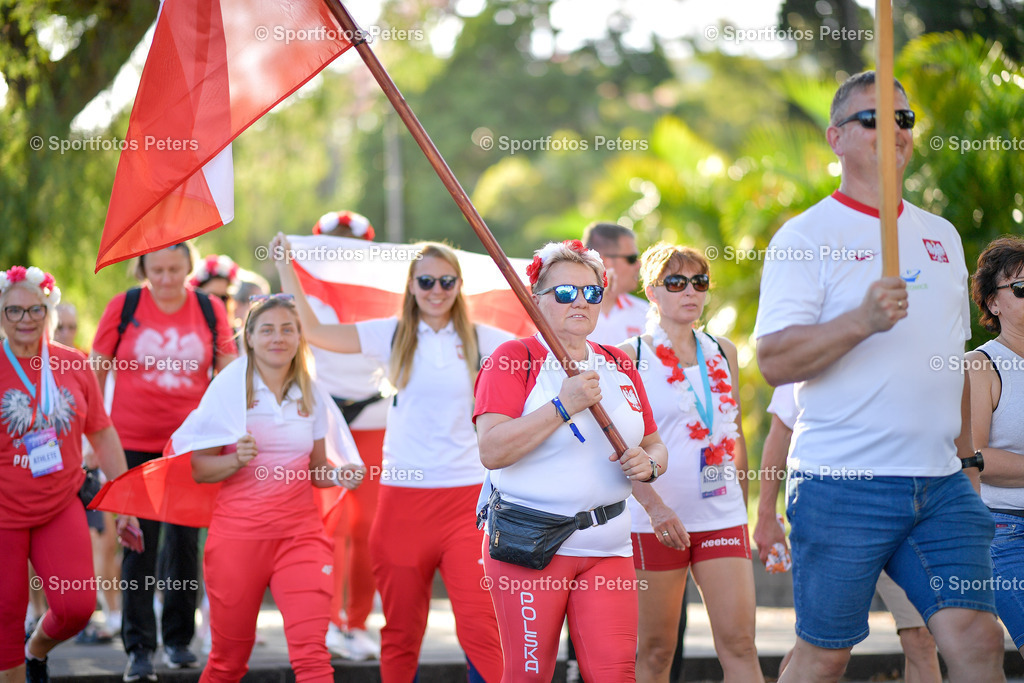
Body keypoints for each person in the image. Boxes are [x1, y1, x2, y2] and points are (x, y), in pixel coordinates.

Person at [754, 70, 1005, 682]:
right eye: (873, 118)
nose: (893, 129)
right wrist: (861, 320)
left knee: (977, 641)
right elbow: (774, 361)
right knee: (824, 655)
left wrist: (969, 464)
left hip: (941, 485)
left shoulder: (940, 234)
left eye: (904, 118)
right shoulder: (805, 237)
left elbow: (957, 362)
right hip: (844, 482)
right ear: (836, 137)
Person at [273, 233, 506, 682]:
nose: (436, 290)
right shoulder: (391, 333)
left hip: (468, 503)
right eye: (426, 281)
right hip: (402, 503)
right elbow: (317, 333)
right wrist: (285, 267)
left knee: (481, 627)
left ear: (460, 285)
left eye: (446, 281)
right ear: (412, 286)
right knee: (400, 631)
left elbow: (546, 350)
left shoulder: (484, 338)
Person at [474, 239, 668, 682]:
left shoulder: (620, 363)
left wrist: (650, 464)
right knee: (529, 676)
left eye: (591, 292)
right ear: (535, 299)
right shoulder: (513, 359)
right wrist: (562, 406)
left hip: (608, 546)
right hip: (531, 542)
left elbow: (655, 444)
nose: (580, 301)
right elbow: (492, 450)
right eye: (564, 293)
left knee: (616, 675)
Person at [189, 294, 362, 682]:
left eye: (288, 329)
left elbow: (317, 470)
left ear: (300, 336)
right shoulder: (228, 388)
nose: (277, 338)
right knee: (227, 663)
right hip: (237, 540)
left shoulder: (312, 393)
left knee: (313, 659)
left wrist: (339, 473)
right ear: (248, 337)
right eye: (267, 329)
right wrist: (235, 459)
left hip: (300, 538)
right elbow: (200, 469)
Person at [613, 243, 761, 683]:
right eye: (676, 283)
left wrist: (743, 505)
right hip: (653, 520)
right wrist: (655, 507)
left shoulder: (722, 350)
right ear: (652, 293)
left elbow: (733, 435)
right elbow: (619, 448)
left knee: (740, 645)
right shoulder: (629, 356)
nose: (690, 291)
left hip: (722, 515)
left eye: (700, 282)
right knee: (656, 651)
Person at [91, 243, 238, 681]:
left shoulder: (210, 309)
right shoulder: (126, 305)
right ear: (143, 268)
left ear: (189, 267)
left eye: (176, 269)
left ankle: (177, 640)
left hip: (189, 445)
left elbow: (229, 373)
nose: (168, 278)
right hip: (131, 442)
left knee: (183, 544)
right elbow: (95, 371)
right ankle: (139, 647)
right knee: (137, 543)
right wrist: (93, 436)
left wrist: (227, 434)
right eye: (158, 269)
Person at [0, 265, 139, 683]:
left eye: (36, 310)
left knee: (77, 607)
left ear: (50, 311)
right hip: (4, 511)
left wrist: (126, 501)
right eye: (14, 311)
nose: (26, 320)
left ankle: (36, 649)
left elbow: (103, 433)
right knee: (5, 611)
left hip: (60, 503)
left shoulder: (75, 365)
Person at [755, 383, 942, 683]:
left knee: (921, 636)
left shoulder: (911, 344)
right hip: (834, 513)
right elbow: (780, 432)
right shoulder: (813, 340)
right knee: (819, 653)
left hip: (904, 505)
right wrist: (766, 515)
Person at [301, 211, 386, 660]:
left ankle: (356, 622)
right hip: (325, 415)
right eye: (328, 244)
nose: (338, 251)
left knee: (368, 526)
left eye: (347, 244)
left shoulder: (385, 289)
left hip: (374, 414)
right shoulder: (302, 290)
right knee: (331, 522)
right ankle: (328, 622)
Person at [966, 235, 1024, 659]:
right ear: (993, 303)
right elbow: (973, 456)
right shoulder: (980, 365)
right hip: (1006, 532)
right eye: (1021, 287)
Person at [55, 302, 123, 645]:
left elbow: (101, 417)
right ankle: (40, 615)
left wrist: (95, 451)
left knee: (103, 541)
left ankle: (111, 614)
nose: (67, 333)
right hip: (47, 471)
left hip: (88, 465)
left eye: (72, 326)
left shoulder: (82, 363)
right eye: (61, 327)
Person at [583, 223, 648, 345]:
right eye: (632, 258)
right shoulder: (570, 311)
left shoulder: (645, 312)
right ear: (604, 261)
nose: (638, 265)